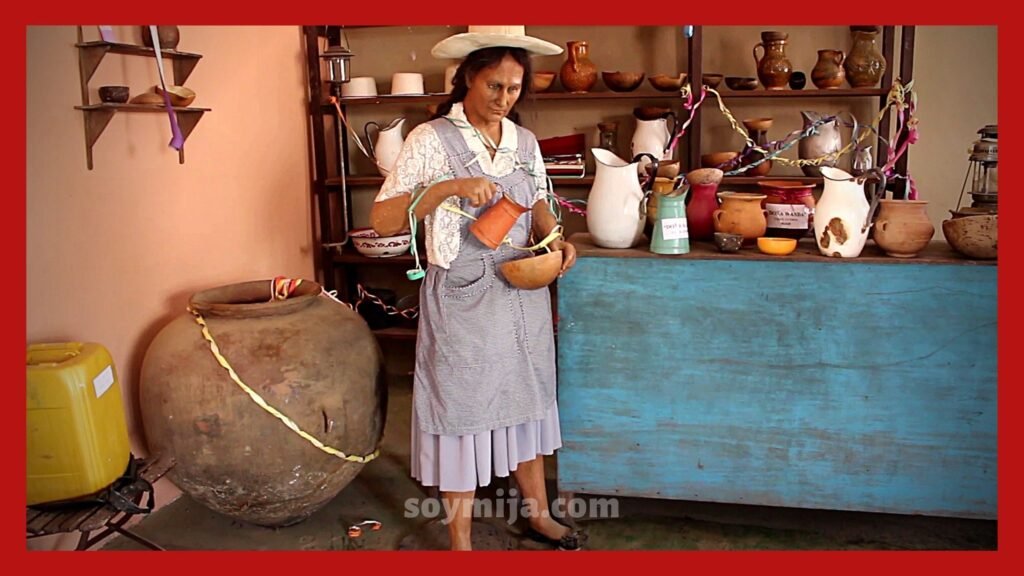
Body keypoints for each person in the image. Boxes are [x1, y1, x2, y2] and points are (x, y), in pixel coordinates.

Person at [369, 26, 583, 551]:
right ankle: (461, 541)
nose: (503, 99)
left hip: (520, 292)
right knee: (461, 410)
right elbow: (382, 219)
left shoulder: (523, 143)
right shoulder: (431, 140)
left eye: (513, 89)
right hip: (463, 294)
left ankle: (538, 515)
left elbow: (535, 205)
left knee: (526, 400)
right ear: (467, 76)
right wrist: (447, 188)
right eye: (493, 86)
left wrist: (557, 239)